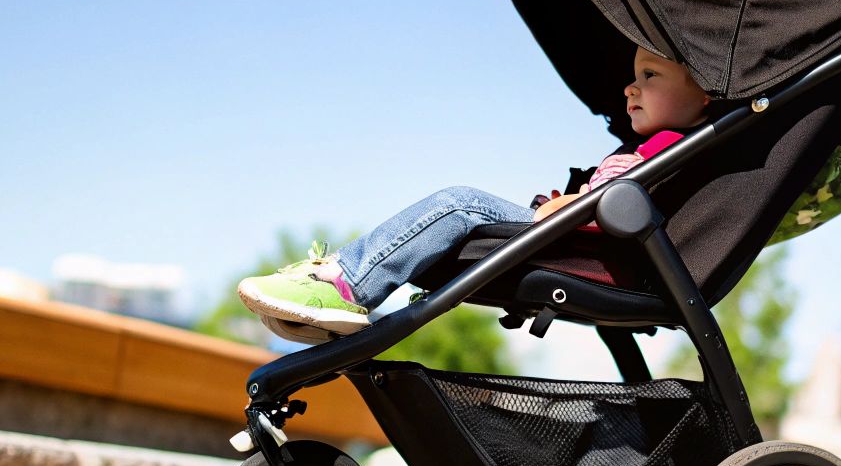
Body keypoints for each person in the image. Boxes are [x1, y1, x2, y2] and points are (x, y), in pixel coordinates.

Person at [235, 47, 710, 342]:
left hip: (580, 243)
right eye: (633, 75)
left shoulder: (669, 148)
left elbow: (613, 205)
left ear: (705, 90)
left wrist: (565, 205)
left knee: (459, 204)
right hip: (574, 237)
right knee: (458, 211)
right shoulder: (650, 147)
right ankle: (339, 288)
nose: (631, 86)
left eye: (651, 75)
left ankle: (346, 285)